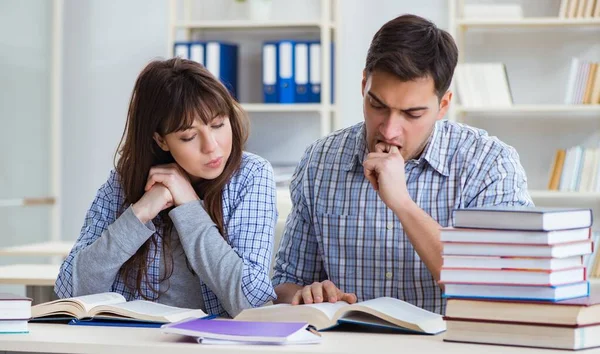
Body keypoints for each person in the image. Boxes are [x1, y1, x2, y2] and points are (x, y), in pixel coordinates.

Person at [272, 14, 533, 314]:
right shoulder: (320, 161)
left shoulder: (489, 165)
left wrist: (403, 204)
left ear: (443, 106)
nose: (389, 130)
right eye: (378, 105)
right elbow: (284, 285)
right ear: (363, 86)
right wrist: (307, 294)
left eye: (412, 114)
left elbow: (495, 290)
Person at [55, 58, 277, 317]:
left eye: (218, 125)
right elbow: (70, 292)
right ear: (161, 139)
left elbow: (251, 301)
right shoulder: (121, 184)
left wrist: (189, 206)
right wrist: (140, 213)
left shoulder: (250, 175)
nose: (212, 146)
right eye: (189, 137)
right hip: (128, 342)